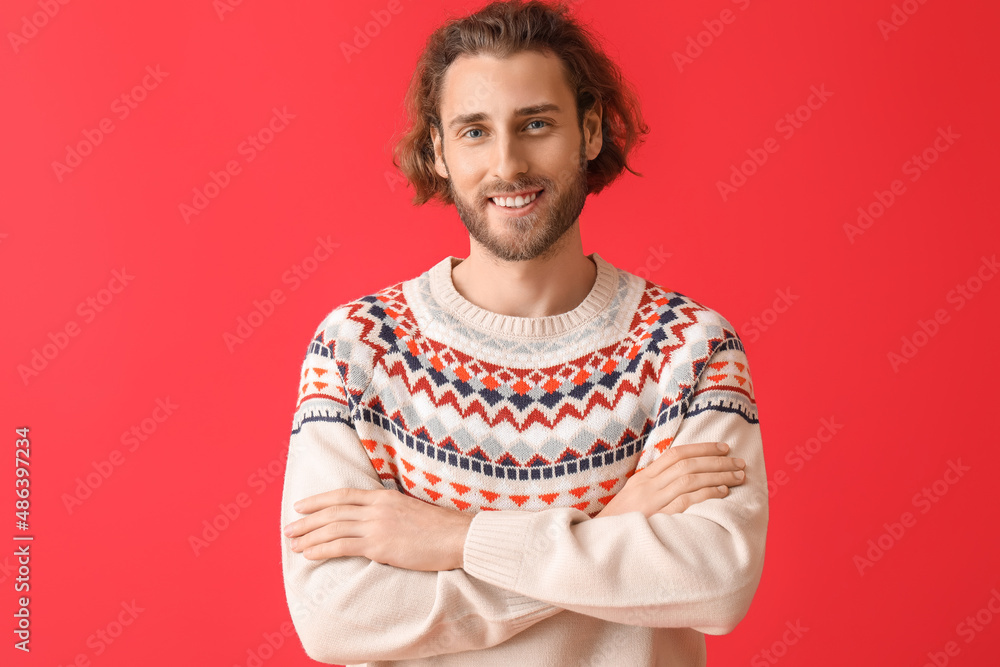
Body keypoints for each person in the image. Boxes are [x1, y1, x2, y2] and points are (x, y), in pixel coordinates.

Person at [279, 1, 767, 665]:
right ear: (438, 150)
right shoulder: (356, 348)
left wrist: (458, 539)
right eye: (475, 131)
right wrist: (611, 525)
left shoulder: (689, 347)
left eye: (536, 124)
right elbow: (335, 617)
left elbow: (716, 580)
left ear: (589, 131)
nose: (508, 164)